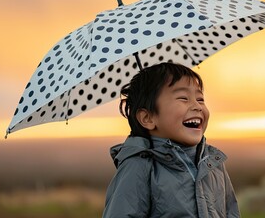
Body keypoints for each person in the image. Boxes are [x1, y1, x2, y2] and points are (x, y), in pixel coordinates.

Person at [102, 62, 240, 218]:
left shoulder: (212, 162)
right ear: (147, 118)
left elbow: (231, 212)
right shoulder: (139, 165)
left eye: (200, 99)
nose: (197, 106)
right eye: (183, 98)